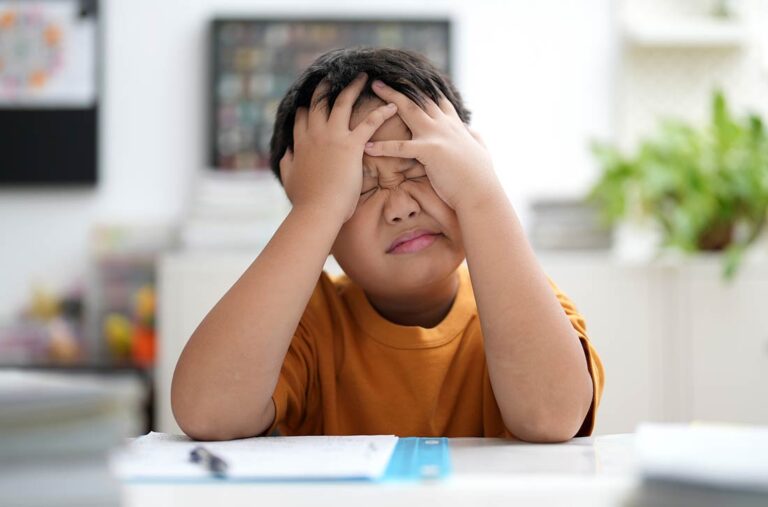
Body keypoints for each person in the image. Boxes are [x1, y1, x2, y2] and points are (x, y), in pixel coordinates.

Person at [171, 48, 604, 442]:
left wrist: (482, 195)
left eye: (418, 169)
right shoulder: (303, 322)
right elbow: (208, 415)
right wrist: (316, 207)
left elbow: (550, 418)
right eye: (357, 189)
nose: (400, 207)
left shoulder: (525, 303)